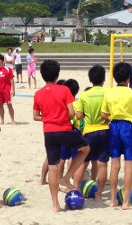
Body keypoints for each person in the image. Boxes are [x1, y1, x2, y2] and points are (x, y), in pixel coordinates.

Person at [33, 59, 90, 212]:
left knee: (53, 167)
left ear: (42, 75)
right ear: (57, 75)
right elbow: (72, 113)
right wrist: (61, 117)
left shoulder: (38, 94)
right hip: (63, 129)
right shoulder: (64, 90)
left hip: (49, 132)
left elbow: (35, 116)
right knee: (85, 149)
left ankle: (55, 205)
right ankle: (66, 177)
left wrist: (48, 118)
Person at [101, 62, 132, 210]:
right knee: (129, 166)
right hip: (128, 128)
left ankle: (112, 200)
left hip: (113, 127)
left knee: (114, 166)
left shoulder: (109, 92)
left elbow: (103, 114)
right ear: (128, 77)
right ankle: (125, 203)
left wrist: (112, 118)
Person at [75, 65, 110, 201]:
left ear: (90, 79)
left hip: (89, 131)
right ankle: (99, 195)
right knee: (101, 163)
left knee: (83, 163)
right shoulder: (108, 93)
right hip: (104, 130)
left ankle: (76, 190)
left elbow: (78, 116)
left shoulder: (84, 95)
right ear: (104, 79)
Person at [0, 53, 16, 125]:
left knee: (9, 105)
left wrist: (13, 89)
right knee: (0, 105)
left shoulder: (8, 69)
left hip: (7, 90)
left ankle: (12, 120)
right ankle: (2, 120)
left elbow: (12, 80)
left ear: (2, 60)